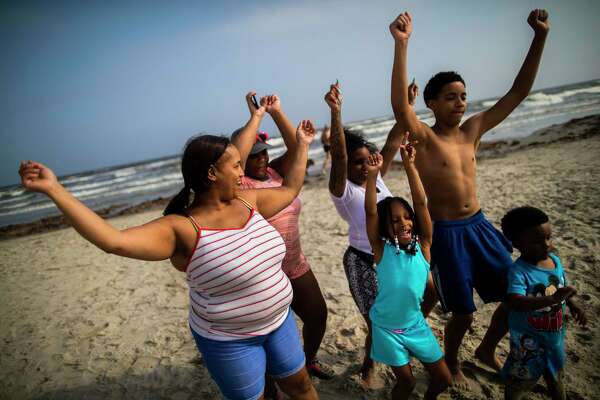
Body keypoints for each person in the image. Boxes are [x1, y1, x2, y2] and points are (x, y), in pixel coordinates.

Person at [18, 119, 320, 400]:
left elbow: (291, 188)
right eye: (237, 166)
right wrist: (54, 189)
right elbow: (114, 241)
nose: (243, 173)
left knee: (301, 386)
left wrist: (303, 144)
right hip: (230, 342)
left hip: (280, 323)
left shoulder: (249, 200)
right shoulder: (181, 229)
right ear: (212, 174)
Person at [389, 9, 551, 387]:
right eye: (450, 98)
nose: (459, 104)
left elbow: (518, 92)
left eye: (463, 97)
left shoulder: (473, 130)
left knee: (513, 297)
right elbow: (400, 106)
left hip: (479, 227)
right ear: (430, 104)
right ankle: (452, 359)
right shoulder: (425, 139)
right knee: (462, 314)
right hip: (447, 235)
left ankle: (486, 348)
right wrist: (401, 44)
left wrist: (539, 37)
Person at [324, 81, 436, 384]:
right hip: (363, 260)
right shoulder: (342, 190)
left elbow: (393, 139)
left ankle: (404, 331)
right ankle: (369, 363)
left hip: (395, 254)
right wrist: (336, 112)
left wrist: (408, 106)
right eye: (356, 162)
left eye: (366, 160)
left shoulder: (377, 178)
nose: (363, 166)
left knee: (431, 291)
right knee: (375, 321)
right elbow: (340, 154)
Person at [231, 92, 333, 380]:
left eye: (262, 151)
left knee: (317, 314)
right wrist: (256, 117)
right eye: (252, 154)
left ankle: (309, 359)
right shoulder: (239, 187)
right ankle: (274, 379)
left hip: (295, 262)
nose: (260, 158)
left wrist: (276, 112)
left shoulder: (276, 172)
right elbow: (236, 155)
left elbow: (299, 145)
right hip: (264, 273)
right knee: (271, 335)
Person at [364, 133, 452, 399]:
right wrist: (371, 177)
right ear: (384, 227)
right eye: (394, 220)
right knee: (407, 383)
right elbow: (370, 213)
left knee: (443, 379)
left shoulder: (424, 245)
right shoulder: (381, 250)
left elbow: (422, 203)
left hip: (415, 325)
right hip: (386, 327)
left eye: (407, 217)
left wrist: (410, 166)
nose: (403, 223)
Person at [500, 206, 587, 400]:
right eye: (537, 241)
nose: (546, 244)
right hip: (528, 344)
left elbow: (561, 287)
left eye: (548, 237)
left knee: (556, 377)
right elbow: (515, 301)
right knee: (518, 383)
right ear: (517, 244)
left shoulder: (554, 261)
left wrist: (573, 305)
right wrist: (552, 299)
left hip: (554, 337)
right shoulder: (519, 271)